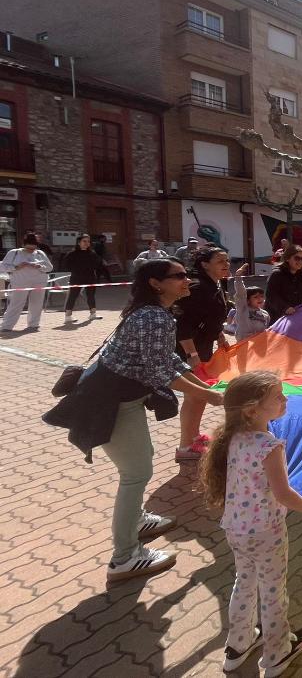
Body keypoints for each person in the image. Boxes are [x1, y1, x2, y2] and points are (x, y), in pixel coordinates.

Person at [43, 259, 223, 581]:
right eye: (179, 276)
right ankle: (124, 557)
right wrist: (209, 396)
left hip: (121, 398)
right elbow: (158, 371)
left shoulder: (153, 313)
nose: (187, 281)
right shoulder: (155, 317)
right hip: (112, 402)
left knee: (141, 463)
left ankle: (136, 521)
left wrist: (200, 387)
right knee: (136, 473)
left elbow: (165, 357)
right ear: (156, 283)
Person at [200, 371, 302, 676]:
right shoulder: (269, 446)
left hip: (235, 529)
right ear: (252, 410)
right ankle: (277, 653)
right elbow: (284, 494)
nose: (285, 400)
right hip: (266, 533)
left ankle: (237, 645)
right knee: (273, 592)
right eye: (278, 397)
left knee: (243, 583)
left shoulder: (229, 439)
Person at [173, 246, 231, 461]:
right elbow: (183, 323)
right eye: (220, 261)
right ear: (204, 264)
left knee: (198, 397)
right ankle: (186, 447)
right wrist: (192, 355)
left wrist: (220, 336)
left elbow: (211, 317)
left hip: (202, 346)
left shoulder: (214, 283)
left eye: (227, 260)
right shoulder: (197, 287)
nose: (226, 265)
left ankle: (193, 437)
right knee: (195, 397)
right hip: (190, 349)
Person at [0, 231, 53, 332]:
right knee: (16, 303)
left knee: (37, 303)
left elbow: (50, 267)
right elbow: (2, 266)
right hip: (20, 282)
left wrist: (40, 266)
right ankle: (6, 326)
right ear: (23, 245)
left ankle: (33, 324)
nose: (31, 250)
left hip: (39, 281)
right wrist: (16, 267)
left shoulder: (40, 253)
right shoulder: (14, 253)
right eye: (28, 248)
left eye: (33, 248)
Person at [61, 233, 110, 323]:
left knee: (91, 295)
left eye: (88, 241)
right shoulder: (72, 254)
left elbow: (98, 264)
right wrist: (77, 269)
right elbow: (66, 265)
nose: (87, 243)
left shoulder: (92, 253)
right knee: (73, 295)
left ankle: (93, 314)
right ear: (79, 242)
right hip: (76, 277)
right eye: (84, 241)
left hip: (90, 277)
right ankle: (68, 316)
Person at [265, 245, 302, 323]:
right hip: (277, 318)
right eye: (297, 258)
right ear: (287, 258)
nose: (300, 261)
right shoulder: (277, 274)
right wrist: (285, 308)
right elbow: (271, 296)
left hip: (295, 316)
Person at [230, 263, 270, 341]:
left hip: (259, 344)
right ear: (247, 300)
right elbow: (241, 294)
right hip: (244, 344)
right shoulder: (243, 309)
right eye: (255, 297)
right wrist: (238, 277)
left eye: (261, 296)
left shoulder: (265, 314)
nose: (260, 299)